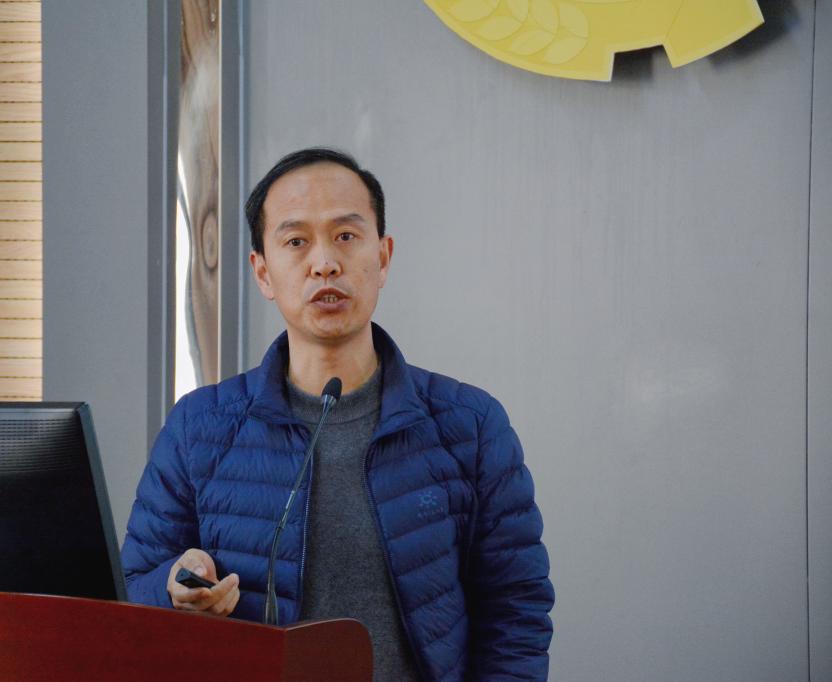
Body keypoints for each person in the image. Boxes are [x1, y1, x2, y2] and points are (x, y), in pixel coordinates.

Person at [122, 148, 554, 680]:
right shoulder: (199, 427)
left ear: (384, 258)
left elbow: (515, 609)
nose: (324, 262)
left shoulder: (470, 426)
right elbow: (130, 590)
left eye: (346, 236)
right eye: (296, 241)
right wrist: (174, 588)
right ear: (263, 272)